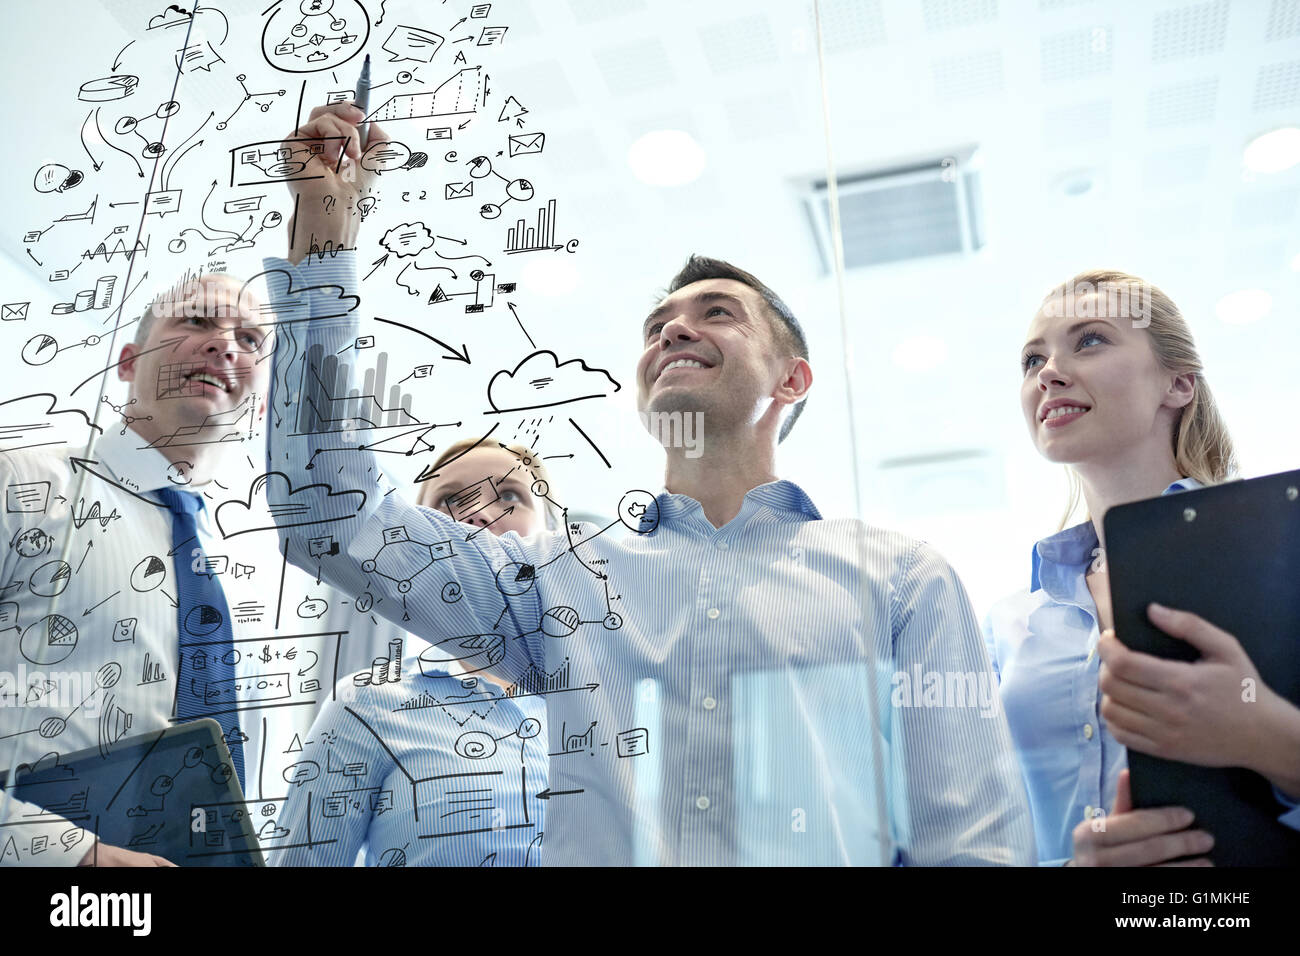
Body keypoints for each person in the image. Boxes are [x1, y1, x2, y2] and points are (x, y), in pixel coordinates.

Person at [263, 103, 1036, 865]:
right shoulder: (561, 580)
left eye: (718, 313)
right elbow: (329, 514)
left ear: (792, 379)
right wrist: (325, 238)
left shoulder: (901, 580)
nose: (671, 329)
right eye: (656, 324)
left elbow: (973, 845)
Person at [0, 272, 364, 866]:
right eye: (197, 321)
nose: (225, 344)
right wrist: (67, 855)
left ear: (260, 401)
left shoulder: (238, 571)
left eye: (250, 339)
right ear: (126, 362)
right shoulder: (20, 485)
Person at [985, 269, 1300, 866]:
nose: (1047, 372)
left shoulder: (1282, 560)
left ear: (1178, 384)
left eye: (1091, 340)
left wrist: (1268, 735)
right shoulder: (1008, 624)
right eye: (1031, 361)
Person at [274, 438, 557, 866]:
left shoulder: (608, 705)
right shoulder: (367, 704)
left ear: (553, 533)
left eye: (510, 495)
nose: (478, 512)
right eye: (448, 500)